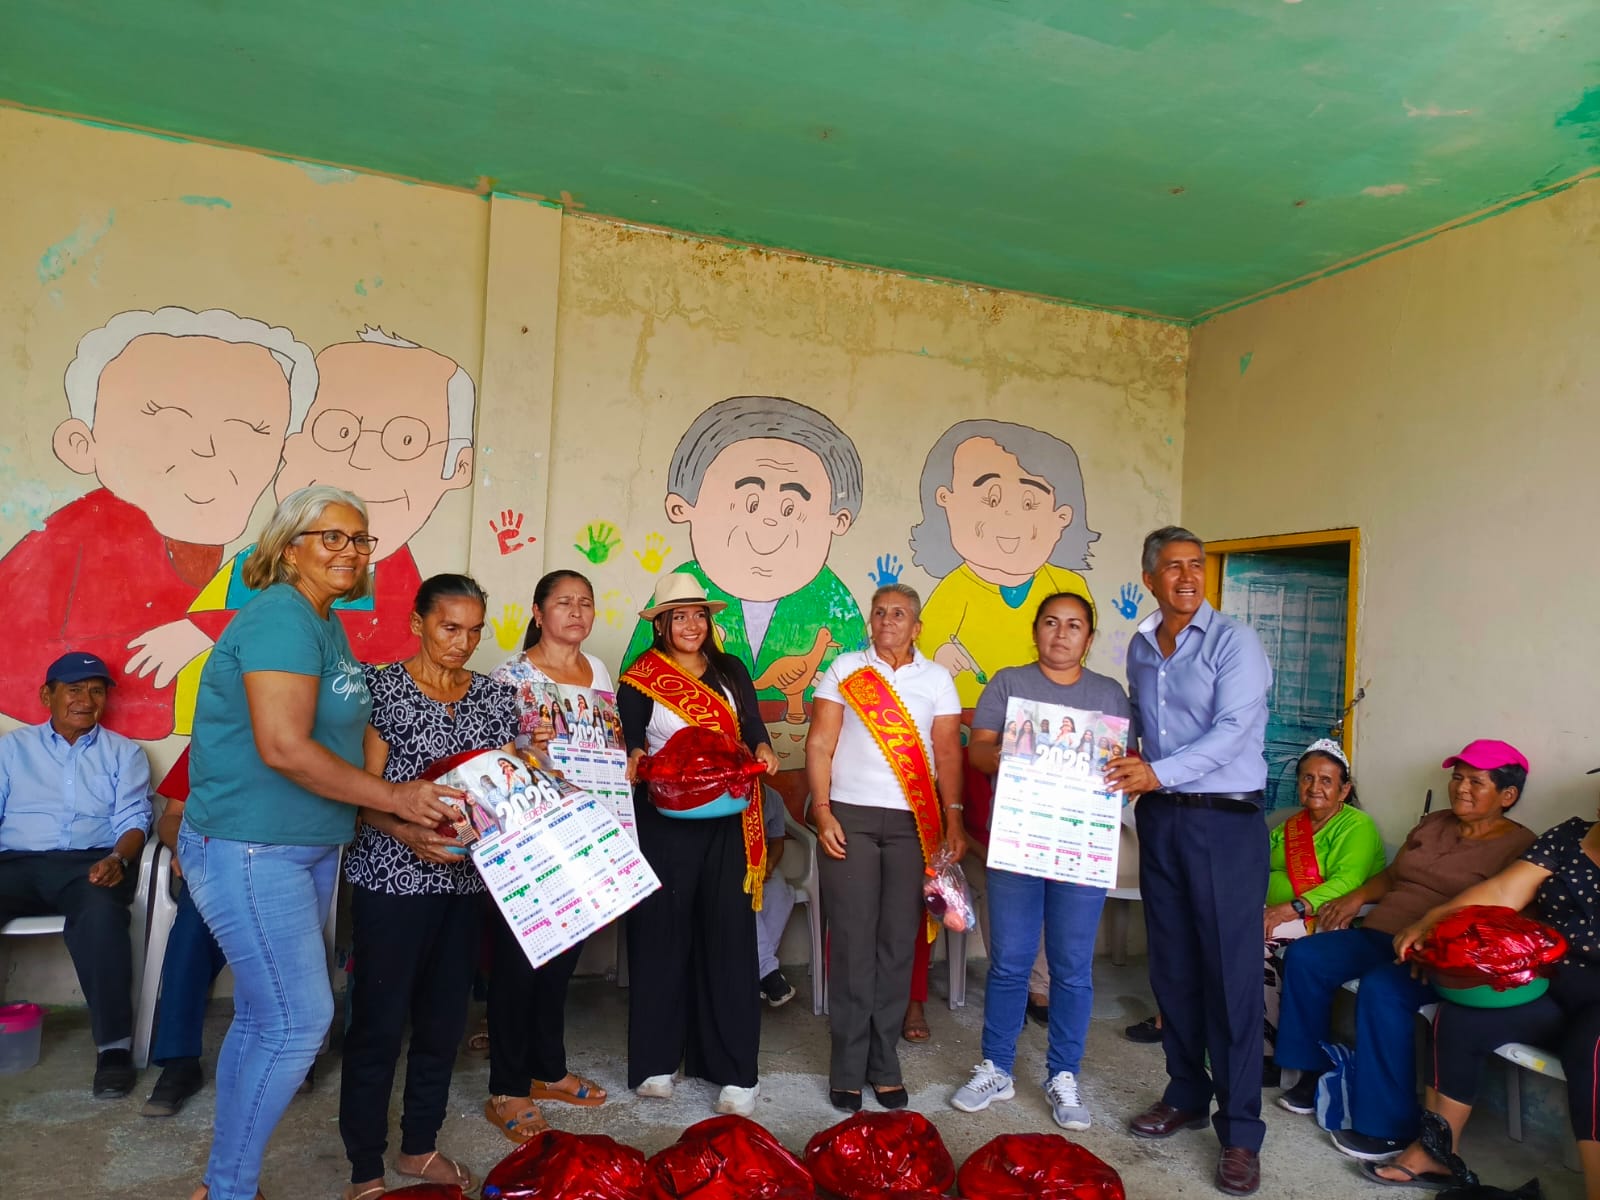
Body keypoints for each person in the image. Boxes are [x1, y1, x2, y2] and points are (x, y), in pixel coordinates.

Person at [179, 485, 463, 1200]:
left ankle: (225, 1185)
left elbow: (335, 760)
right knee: (299, 1021)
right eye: (331, 537)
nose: (351, 551)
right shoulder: (280, 616)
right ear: (288, 547)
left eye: (360, 539)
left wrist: (398, 822)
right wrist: (399, 797)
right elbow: (283, 747)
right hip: (252, 847)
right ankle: (229, 1188)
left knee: (263, 1019)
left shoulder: (324, 622)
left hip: (301, 846)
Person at [0, 307, 316, 738]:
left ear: (285, 454)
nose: (208, 449)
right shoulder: (87, 537)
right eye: (168, 423)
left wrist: (207, 629)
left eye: (249, 429)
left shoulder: (258, 552)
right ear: (82, 444)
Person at [158, 326, 480, 737]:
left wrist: (202, 628)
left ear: (458, 467)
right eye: (338, 432)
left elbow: (391, 643)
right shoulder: (272, 599)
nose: (362, 459)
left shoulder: (351, 599)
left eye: (406, 440)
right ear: (290, 443)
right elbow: (278, 739)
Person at [1104, 527, 1273, 1197]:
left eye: (1195, 566)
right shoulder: (1142, 647)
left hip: (1224, 823)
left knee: (1231, 979)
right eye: (1172, 567)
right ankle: (1184, 1093)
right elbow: (1136, 729)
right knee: (1172, 966)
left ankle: (1241, 1132)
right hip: (1163, 819)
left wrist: (1155, 773)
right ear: (1150, 579)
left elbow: (1233, 732)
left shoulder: (1235, 642)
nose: (1187, 577)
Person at [1272, 740, 1536, 1163]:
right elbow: (1394, 875)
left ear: (1508, 795)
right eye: (1458, 778)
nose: (1461, 788)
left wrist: (1435, 938)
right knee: (1308, 957)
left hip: (1440, 955)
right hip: (1382, 931)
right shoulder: (1434, 823)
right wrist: (1358, 897)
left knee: (1383, 990)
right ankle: (1313, 1071)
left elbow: (1504, 914)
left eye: (1476, 782)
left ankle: (1387, 1127)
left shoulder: (1520, 846)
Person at [339, 574, 516, 1198]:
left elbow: (505, 790)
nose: (462, 643)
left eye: (474, 631)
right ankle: (364, 1167)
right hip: (391, 881)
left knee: (443, 1024)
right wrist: (404, 831)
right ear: (417, 624)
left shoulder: (494, 698)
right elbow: (360, 793)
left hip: (465, 888)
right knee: (379, 1026)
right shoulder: (382, 689)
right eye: (449, 628)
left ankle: (418, 1146)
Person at [951, 592, 1129, 1129]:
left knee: (1072, 967)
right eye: (1051, 622)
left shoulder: (1109, 694)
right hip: (1019, 840)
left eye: (1074, 625)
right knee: (1009, 961)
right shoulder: (1009, 683)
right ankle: (997, 1068)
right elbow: (978, 751)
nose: (1061, 633)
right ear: (1036, 631)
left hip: (1081, 845)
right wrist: (1016, 752)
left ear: (1089, 638)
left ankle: (1063, 1074)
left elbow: (1120, 763)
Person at [1374, 783, 1600, 1193]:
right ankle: (1436, 1153)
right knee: (1462, 1019)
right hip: (1547, 980)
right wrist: (1433, 921)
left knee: (1594, 1052)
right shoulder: (1571, 836)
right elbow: (1502, 892)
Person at [619, 572, 780, 1116]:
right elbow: (632, 739)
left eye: (698, 615)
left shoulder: (731, 670)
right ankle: (655, 1061)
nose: (691, 625)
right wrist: (635, 756)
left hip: (728, 816)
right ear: (661, 624)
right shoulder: (641, 677)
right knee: (660, 935)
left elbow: (753, 726)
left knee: (728, 937)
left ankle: (734, 1071)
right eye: (679, 616)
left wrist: (763, 747)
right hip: (665, 818)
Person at [808, 583, 965, 1112]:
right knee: (853, 943)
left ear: (917, 627)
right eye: (880, 612)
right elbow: (820, 743)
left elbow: (948, 754)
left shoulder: (937, 679)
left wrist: (953, 818)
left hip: (912, 826)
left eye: (899, 613)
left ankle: (884, 1062)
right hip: (849, 818)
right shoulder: (845, 668)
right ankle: (847, 1066)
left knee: (898, 943)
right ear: (870, 622)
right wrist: (823, 810)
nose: (888, 620)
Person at [622, 396, 866, 711]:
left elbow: (860, 696)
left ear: (839, 520)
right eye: (750, 502)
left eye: (790, 507)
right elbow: (634, 686)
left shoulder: (835, 601)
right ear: (682, 507)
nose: (769, 520)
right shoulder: (682, 587)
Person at [484, 569, 614, 1137]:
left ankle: (548, 1069)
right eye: (564, 603)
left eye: (585, 602)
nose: (577, 612)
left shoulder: (598, 671)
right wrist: (523, 750)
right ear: (538, 613)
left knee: (562, 957)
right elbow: (489, 757)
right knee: (520, 961)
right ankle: (507, 1087)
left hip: (583, 829)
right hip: (527, 834)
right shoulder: (511, 676)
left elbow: (606, 743)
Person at [0, 651, 151, 1097]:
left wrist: (118, 859)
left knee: (102, 916)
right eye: (74, 689)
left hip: (89, 865)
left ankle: (114, 1050)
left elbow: (134, 821)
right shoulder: (11, 749)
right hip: (16, 863)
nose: (86, 700)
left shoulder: (124, 753)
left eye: (96, 691)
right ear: (46, 695)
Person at [141, 748, 319, 1118]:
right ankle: (179, 1062)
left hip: (280, 866)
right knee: (190, 933)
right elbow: (172, 817)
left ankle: (291, 1054)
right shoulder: (212, 740)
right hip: (216, 863)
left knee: (285, 933)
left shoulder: (299, 744)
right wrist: (183, 847)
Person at [909, 419, 1099, 706]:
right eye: (991, 499)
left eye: (1029, 503)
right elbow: (923, 648)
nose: (1009, 516)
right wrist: (941, 655)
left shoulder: (1069, 586)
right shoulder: (955, 589)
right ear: (947, 501)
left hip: (1041, 715)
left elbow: (1075, 656)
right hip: (968, 715)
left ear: (1061, 517)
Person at [1259, 739, 1386, 1075]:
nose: (1315, 787)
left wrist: (1288, 909)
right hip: (1277, 911)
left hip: (1327, 919)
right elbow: (1257, 862)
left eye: (1326, 780)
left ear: (1344, 790)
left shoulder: (1356, 825)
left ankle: (1265, 1052)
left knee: (1257, 944)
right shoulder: (1290, 826)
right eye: (1307, 778)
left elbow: (1347, 882)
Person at [755, 783, 797, 1007]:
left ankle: (759, 974)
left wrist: (769, 864)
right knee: (745, 901)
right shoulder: (730, 796)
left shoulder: (773, 797)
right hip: (731, 868)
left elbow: (777, 842)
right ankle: (769, 974)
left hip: (762, 867)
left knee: (781, 893)